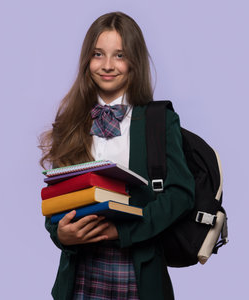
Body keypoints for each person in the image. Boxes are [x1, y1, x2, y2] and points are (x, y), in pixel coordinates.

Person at [39, 12, 195, 300]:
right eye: (98, 54)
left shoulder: (159, 120)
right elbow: (56, 200)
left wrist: (121, 232)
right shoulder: (69, 123)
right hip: (80, 273)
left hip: (139, 270)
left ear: (134, 62)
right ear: (87, 60)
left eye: (119, 55)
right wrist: (61, 235)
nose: (108, 65)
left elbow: (181, 194)